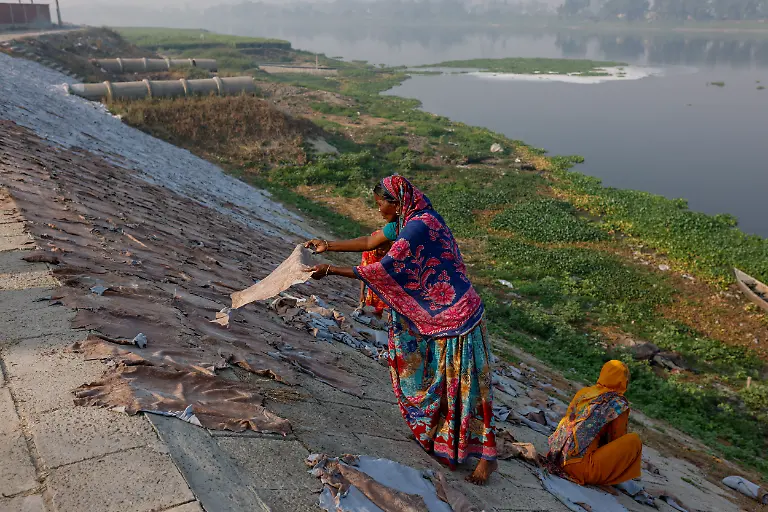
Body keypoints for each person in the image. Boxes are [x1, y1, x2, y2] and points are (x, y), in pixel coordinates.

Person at [304, 175, 497, 485]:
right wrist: (329, 246)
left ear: (396, 202)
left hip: (460, 316)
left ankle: (488, 456)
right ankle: (444, 435)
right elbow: (370, 242)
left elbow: (384, 269)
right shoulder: (408, 221)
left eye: (380, 204)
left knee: (471, 385)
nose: (378, 209)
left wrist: (331, 270)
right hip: (436, 315)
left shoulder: (419, 227)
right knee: (442, 379)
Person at [546, 360, 642, 486]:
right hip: (580, 468)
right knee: (634, 441)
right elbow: (616, 438)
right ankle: (608, 478)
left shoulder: (584, 392)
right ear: (623, 381)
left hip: (556, 457)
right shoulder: (618, 403)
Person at [358, 230, 391, 316]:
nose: (384, 252)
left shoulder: (393, 250)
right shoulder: (368, 253)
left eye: (386, 249)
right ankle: (378, 311)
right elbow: (363, 273)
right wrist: (362, 294)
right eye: (381, 250)